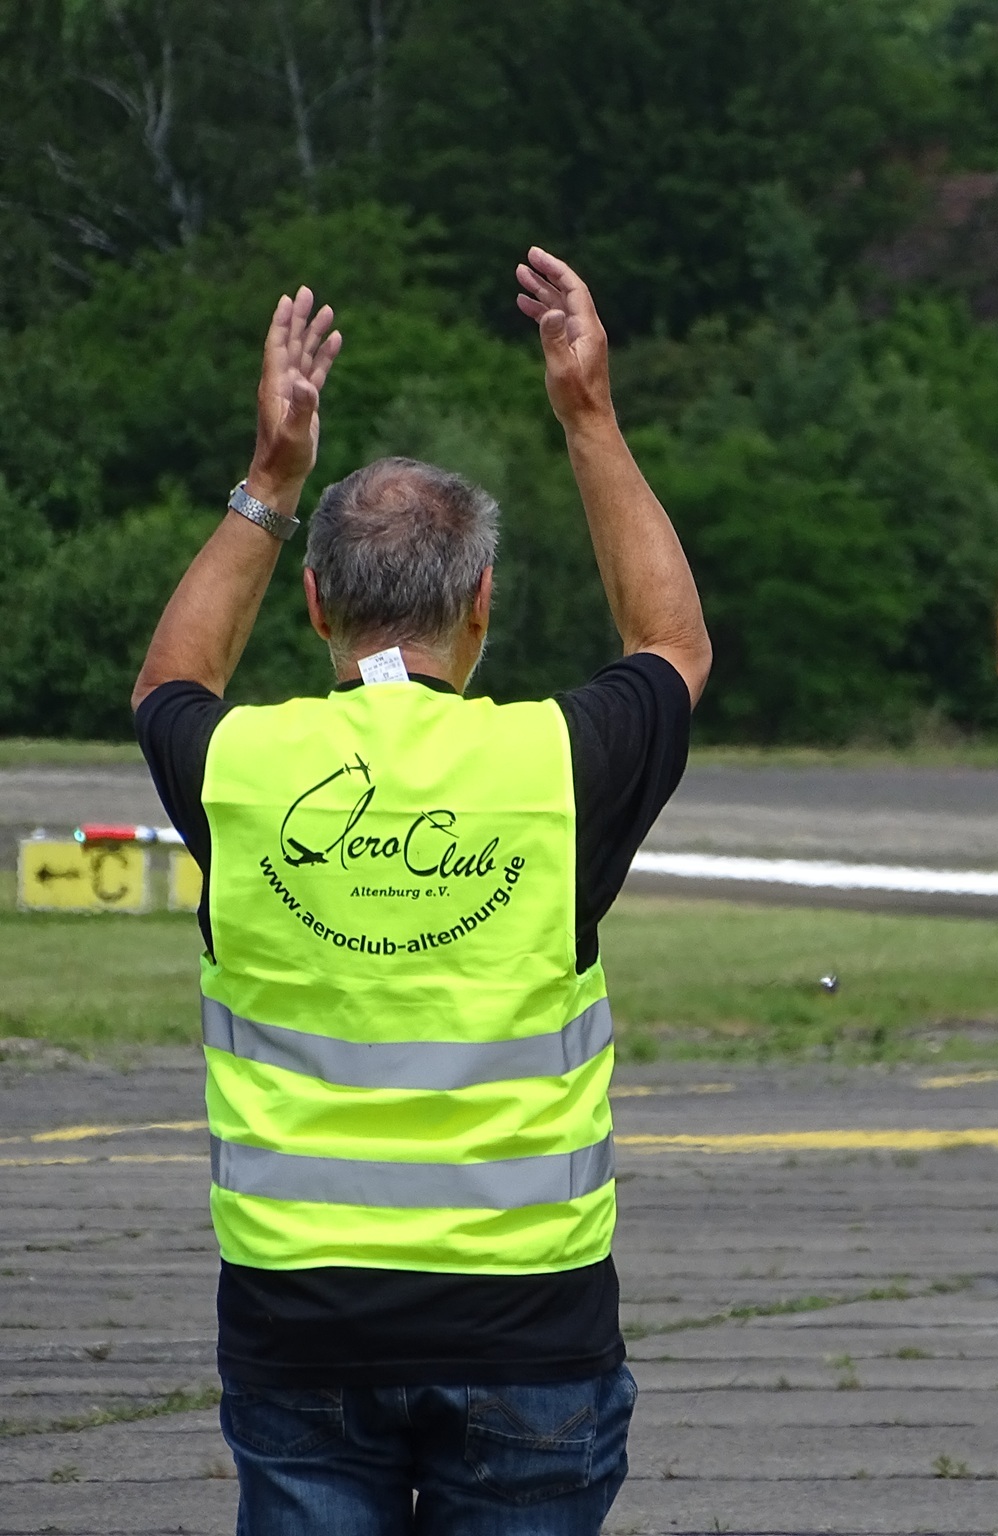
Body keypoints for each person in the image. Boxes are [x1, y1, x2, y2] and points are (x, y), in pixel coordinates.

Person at [132, 248, 712, 1535]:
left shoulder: (241, 768)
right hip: (530, 1330)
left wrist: (271, 478)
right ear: (483, 600)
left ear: (314, 601)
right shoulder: (558, 765)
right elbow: (671, 645)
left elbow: (168, 682)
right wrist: (587, 414)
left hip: (299, 1330)